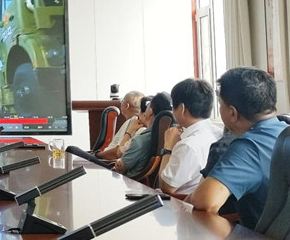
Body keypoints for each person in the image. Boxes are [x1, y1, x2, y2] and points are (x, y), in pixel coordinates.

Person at [189, 67, 288, 229]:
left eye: (221, 104)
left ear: (233, 113)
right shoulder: (284, 132)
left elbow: (204, 202)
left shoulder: (250, 147)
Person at [158, 79, 223, 195]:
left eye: (173, 106)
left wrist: (168, 148)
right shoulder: (219, 132)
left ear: (182, 108)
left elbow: (166, 187)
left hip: (181, 203)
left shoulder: (187, 146)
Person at [113, 92, 172, 178]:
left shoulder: (141, 141)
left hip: (131, 182)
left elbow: (120, 167)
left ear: (150, 111)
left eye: (148, 104)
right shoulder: (171, 136)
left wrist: (118, 161)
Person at [95, 90, 145, 160]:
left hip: (115, 162)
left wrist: (98, 154)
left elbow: (117, 152)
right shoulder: (137, 122)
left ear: (126, 105)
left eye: (122, 101)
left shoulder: (132, 121)